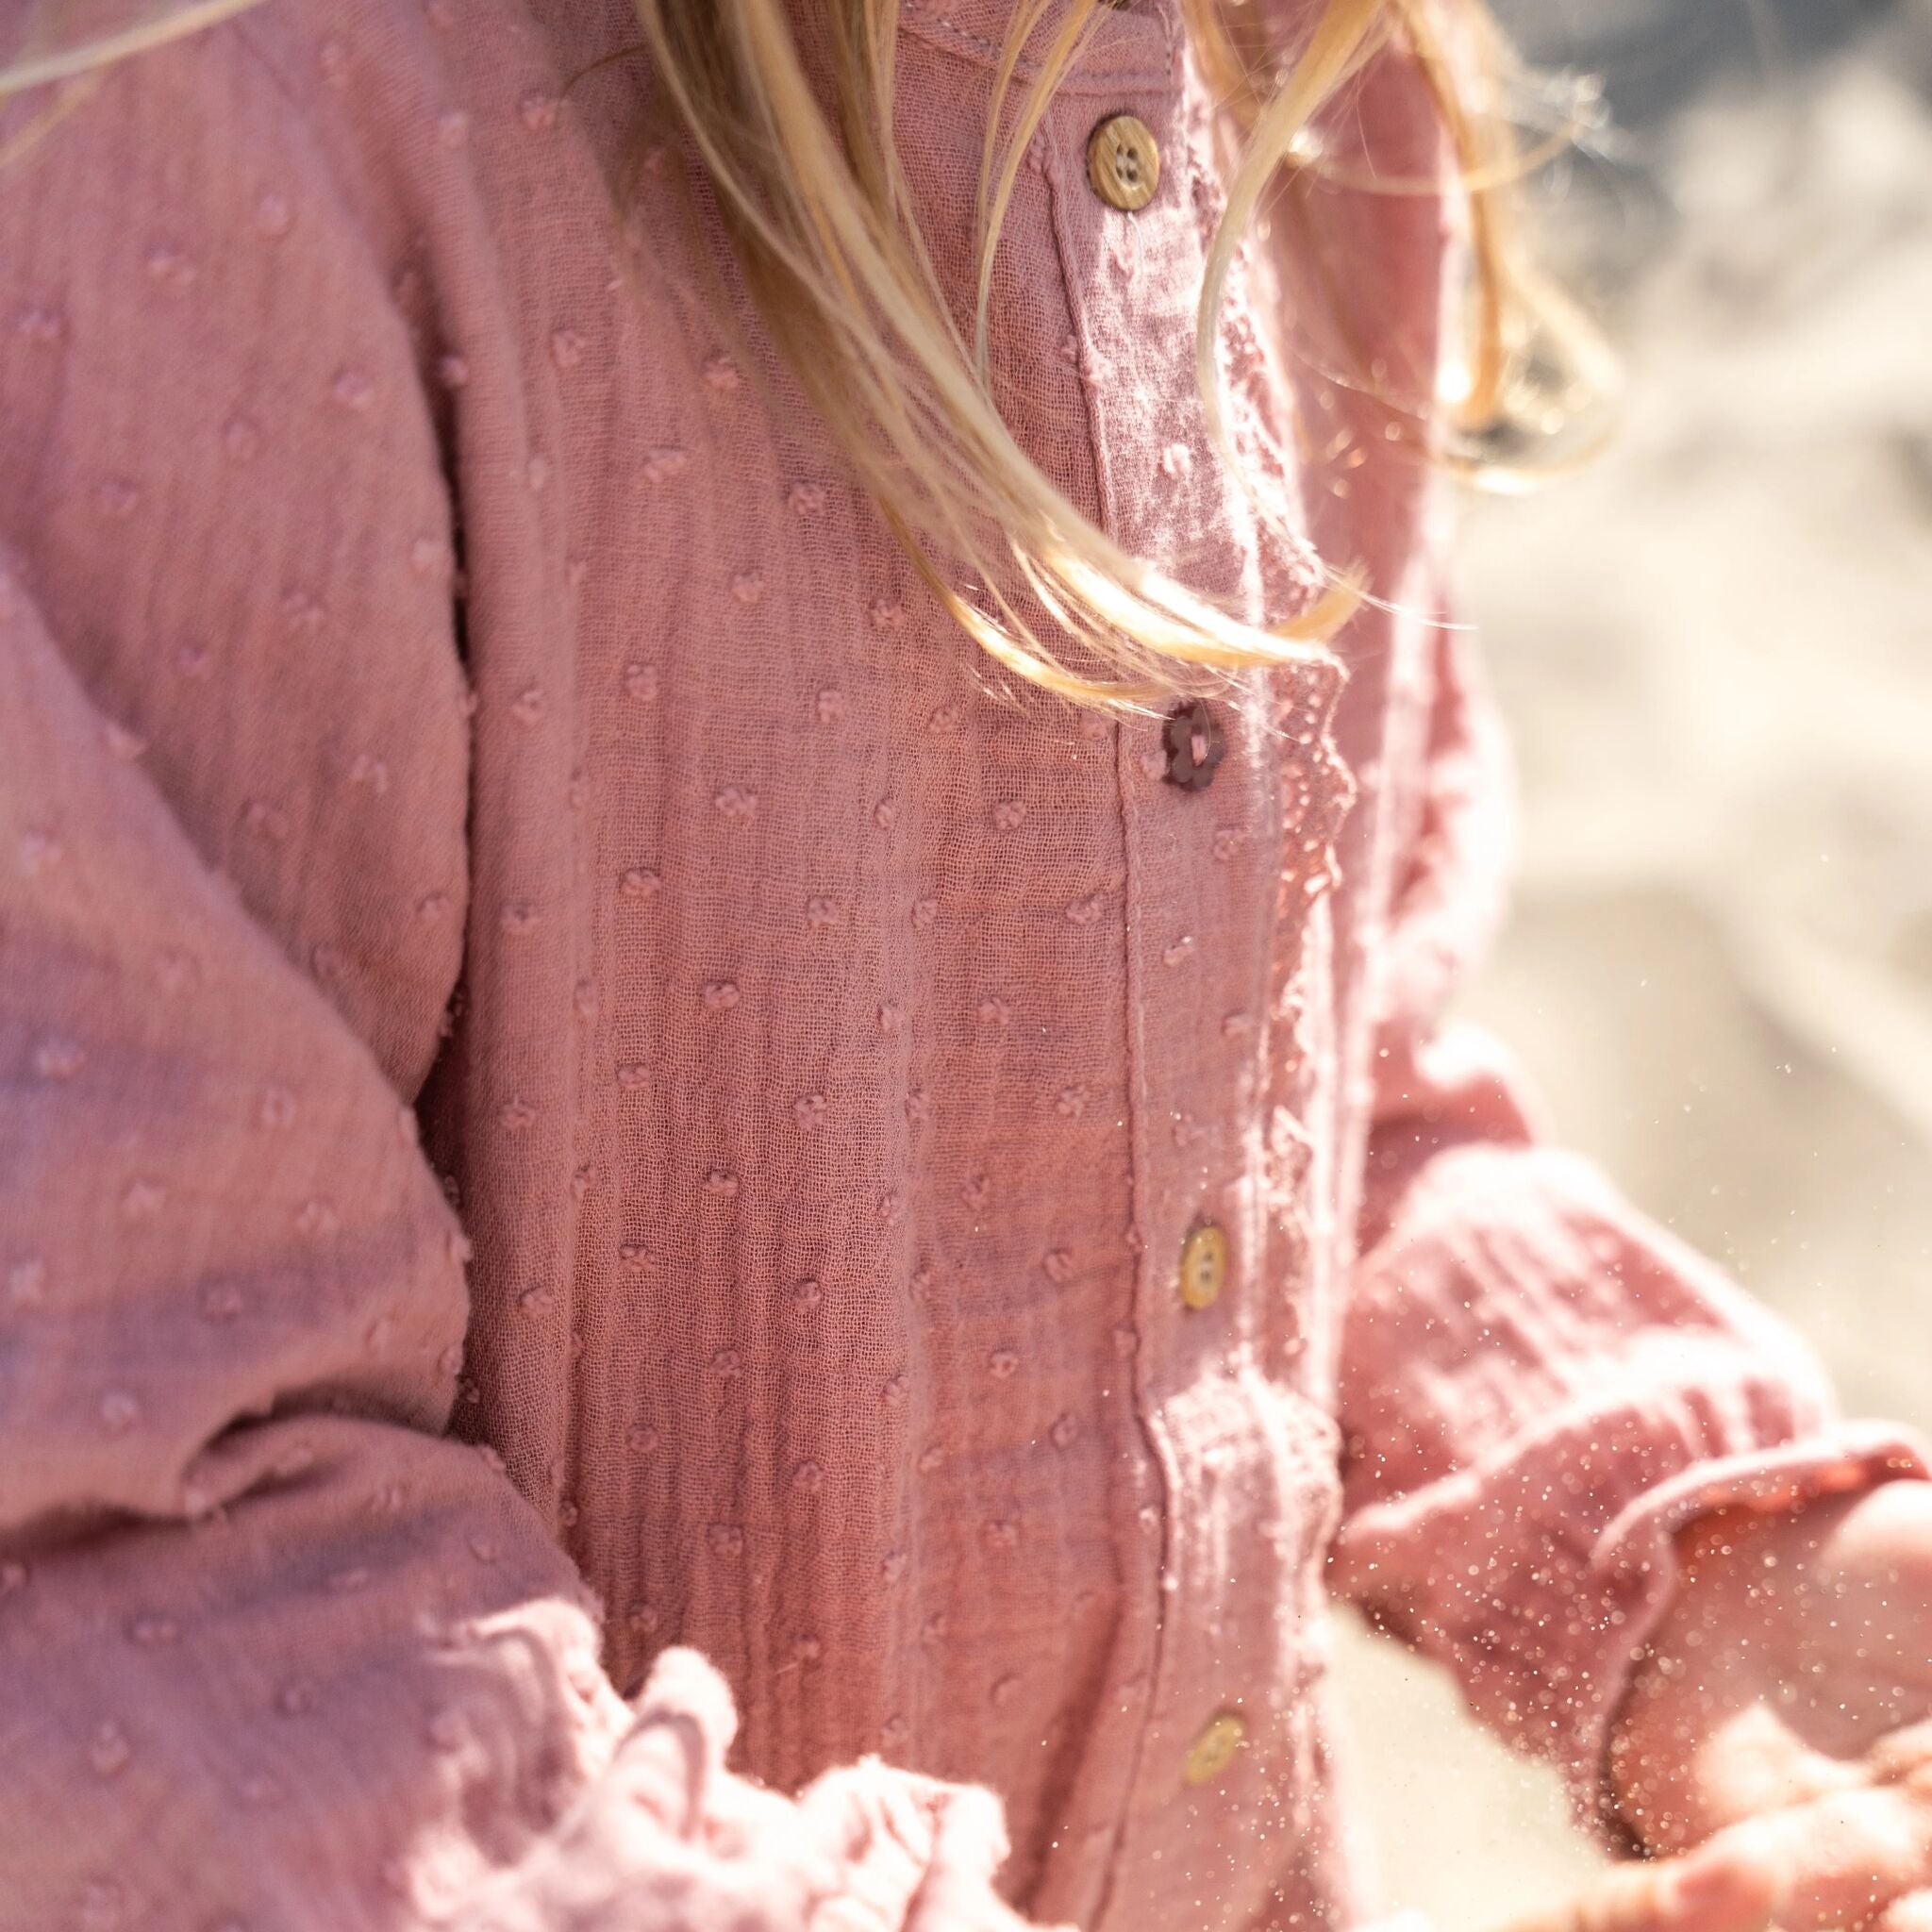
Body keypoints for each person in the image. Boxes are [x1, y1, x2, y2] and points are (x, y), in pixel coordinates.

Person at [2, 2, 1929, 1928]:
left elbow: (1311, 1085)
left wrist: (1695, 1559)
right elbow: (121, 1551)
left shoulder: (1293, 56)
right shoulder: (201, 122)